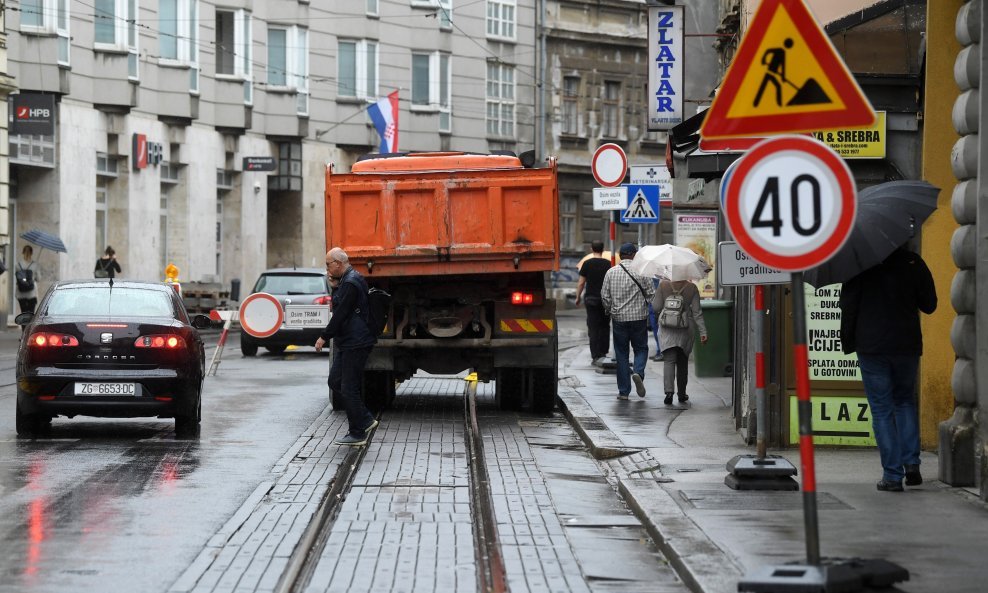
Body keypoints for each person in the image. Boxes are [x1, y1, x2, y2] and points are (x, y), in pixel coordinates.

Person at [839, 246, 937, 492]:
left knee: (882, 410)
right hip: (906, 345)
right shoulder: (912, 261)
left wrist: (849, 342)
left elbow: (848, 307)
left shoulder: (858, 265)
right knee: (904, 402)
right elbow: (930, 304)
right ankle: (912, 465)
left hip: (872, 347)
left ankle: (892, 476)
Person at [314, 247, 379, 446]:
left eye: (328, 264)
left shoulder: (351, 282)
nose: (327, 269)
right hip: (349, 341)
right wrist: (334, 286)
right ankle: (363, 421)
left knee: (348, 387)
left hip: (356, 341)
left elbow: (341, 314)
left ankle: (358, 430)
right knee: (335, 382)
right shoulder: (346, 280)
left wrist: (324, 337)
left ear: (339, 264)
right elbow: (341, 307)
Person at [601, 243, 653, 400]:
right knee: (641, 349)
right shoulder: (642, 272)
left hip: (619, 319)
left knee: (621, 354)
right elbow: (651, 295)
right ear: (634, 255)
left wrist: (609, 310)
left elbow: (605, 296)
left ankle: (624, 392)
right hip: (639, 318)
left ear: (620, 255)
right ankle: (637, 372)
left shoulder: (611, 272)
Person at [653, 278, 707, 406]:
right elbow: (697, 312)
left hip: (667, 328)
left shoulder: (663, 285)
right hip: (685, 328)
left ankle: (669, 393)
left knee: (669, 360)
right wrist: (703, 332)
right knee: (683, 361)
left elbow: (656, 307)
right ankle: (682, 394)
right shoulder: (692, 288)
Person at [574, 240, 611, 366]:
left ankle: (595, 355)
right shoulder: (608, 264)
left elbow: (581, 283)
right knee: (605, 326)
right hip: (606, 300)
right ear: (603, 249)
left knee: (593, 327)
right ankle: (603, 352)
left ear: (591, 249)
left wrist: (577, 297)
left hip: (591, 300)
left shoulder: (587, 264)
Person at [15, 245, 38, 314]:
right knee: (31, 314)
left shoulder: (18, 265)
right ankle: (29, 325)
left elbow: (17, 277)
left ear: (22, 252)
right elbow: (38, 278)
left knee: (23, 313)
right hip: (32, 293)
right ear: (31, 253)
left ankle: (24, 325)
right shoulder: (35, 265)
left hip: (20, 292)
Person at [647, 277, 663, 362]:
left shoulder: (658, 276)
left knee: (658, 330)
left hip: (656, 305)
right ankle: (659, 350)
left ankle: (661, 351)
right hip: (653, 305)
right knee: (655, 330)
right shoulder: (652, 275)